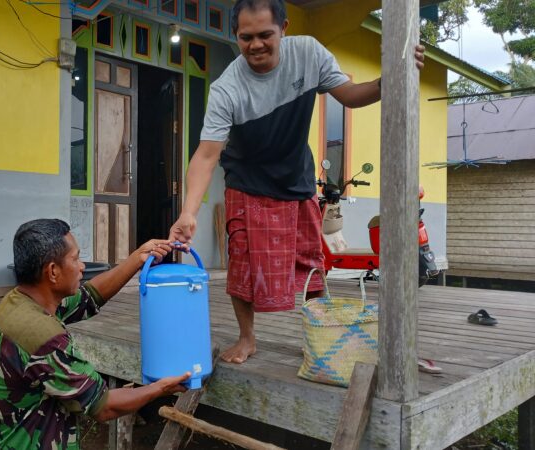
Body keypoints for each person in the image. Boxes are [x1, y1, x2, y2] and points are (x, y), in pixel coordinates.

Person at [168, 0, 425, 364]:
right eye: (246, 37)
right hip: (246, 180)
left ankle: (317, 339)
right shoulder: (227, 88)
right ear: (236, 36)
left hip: (296, 178)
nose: (255, 44)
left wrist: (388, 82)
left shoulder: (309, 53)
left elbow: (348, 95)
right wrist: (189, 212)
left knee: (310, 265)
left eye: (265, 35)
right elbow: (206, 154)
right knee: (242, 261)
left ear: (284, 28)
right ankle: (247, 337)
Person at [0, 218, 190, 450]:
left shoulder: (17, 302)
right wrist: (161, 388)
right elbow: (103, 407)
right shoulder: (43, 337)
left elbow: (89, 296)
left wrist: (137, 258)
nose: (82, 266)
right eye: (75, 259)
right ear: (53, 271)